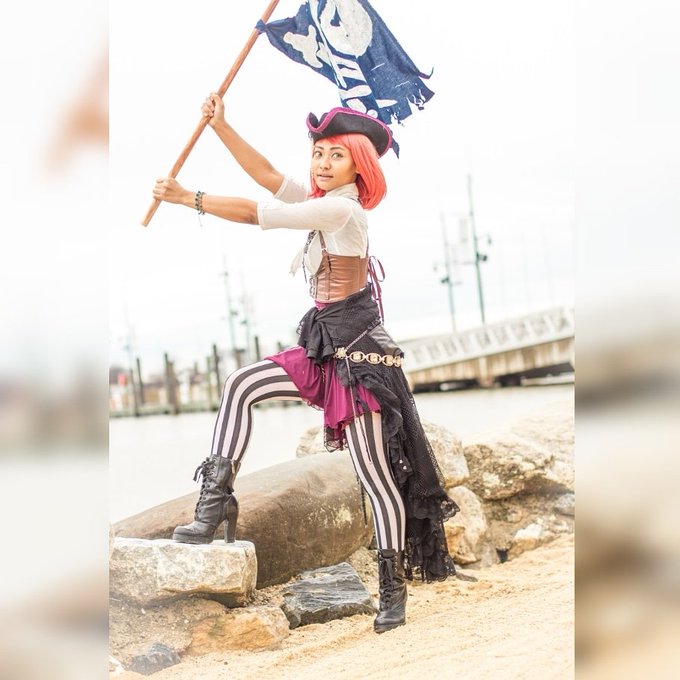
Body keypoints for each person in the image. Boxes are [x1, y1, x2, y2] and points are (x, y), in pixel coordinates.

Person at [152, 93, 460, 634]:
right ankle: (214, 504)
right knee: (241, 383)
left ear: (358, 166)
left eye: (336, 155)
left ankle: (392, 589)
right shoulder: (320, 200)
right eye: (318, 152)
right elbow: (267, 176)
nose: (322, 162)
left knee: (376, 477)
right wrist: (221, 126)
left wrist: (187, 198)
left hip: (359, 358)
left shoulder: (343, 210)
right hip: (324, 345)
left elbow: (256, 212)